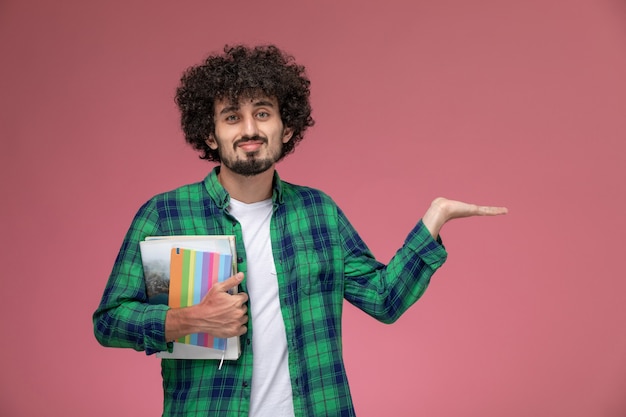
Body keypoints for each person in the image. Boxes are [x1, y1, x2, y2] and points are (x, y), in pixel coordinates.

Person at [93, 44, 507, 417]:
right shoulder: (166, 214)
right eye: (232, 117)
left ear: (285, 128)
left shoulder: (318, 213)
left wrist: (434, 219)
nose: (250, 130)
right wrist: (188, 320)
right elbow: (109, 322)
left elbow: (385, 300)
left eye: (262, 113)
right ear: (211, 134)